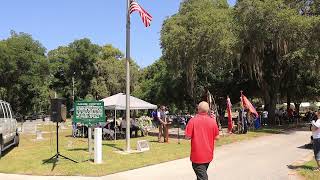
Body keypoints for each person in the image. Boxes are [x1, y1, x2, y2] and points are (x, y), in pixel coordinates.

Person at [185, 101, 220, 180]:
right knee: (201, 176)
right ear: (208, 110)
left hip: (197, 157)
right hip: (208, 155)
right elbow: (217, 137)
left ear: (198, 109)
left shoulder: (192, 121)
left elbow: (187, 137)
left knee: (202, 177)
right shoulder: (212, 121)